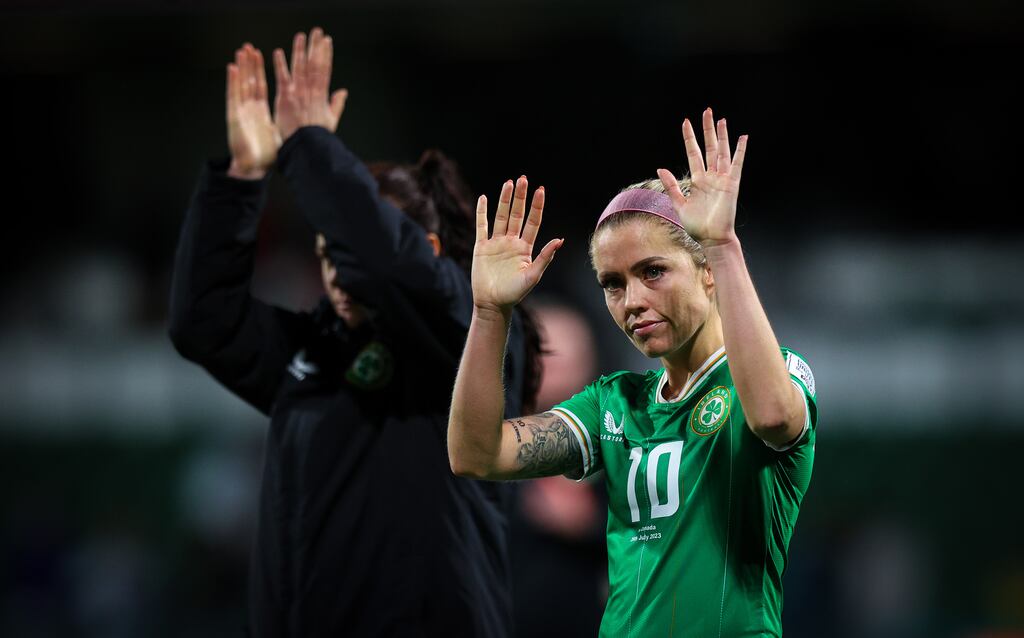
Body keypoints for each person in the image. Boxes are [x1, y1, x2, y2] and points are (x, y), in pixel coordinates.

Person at [169, 29, 537, 637]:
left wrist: (309, 146)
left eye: (345, 249)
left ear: (431, 253)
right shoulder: (317, 351)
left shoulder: (474, 330)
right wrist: (241, 178)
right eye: (325, 253)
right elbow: (201, 323)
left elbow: (383, 265)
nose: (338, 272)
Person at [448, 109, 818, 637]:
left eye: (653, 272)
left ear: (707, 273)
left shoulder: (777, 375)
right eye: (613, 283)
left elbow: (774, 418)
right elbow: (476, 453)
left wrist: (722, 244)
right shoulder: (615, 404)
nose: (633, 301)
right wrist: (489, 315)